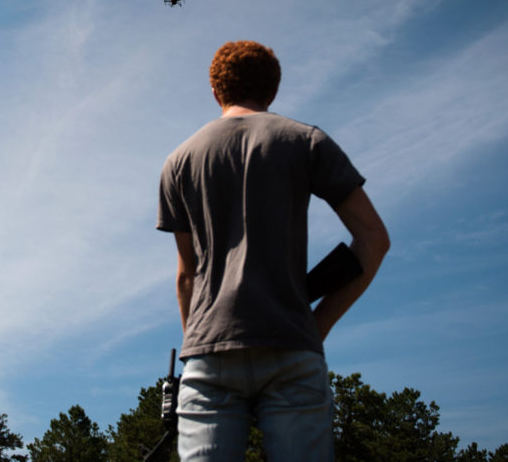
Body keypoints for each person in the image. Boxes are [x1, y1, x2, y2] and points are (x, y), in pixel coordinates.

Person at [157, 40, 390, 462]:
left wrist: (199, 345)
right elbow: (375, 239)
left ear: (215, 90)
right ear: (272, 92)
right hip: (291, 347)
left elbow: (186, 276)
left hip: (209, 354)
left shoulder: (179, 161)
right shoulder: (307, 140)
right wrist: (317, 325)